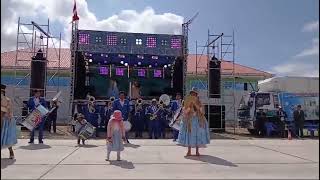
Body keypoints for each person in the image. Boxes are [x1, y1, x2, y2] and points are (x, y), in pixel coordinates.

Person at [1, 84, 17, 159]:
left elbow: (8, 111)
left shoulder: (7, 100)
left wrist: (7, 116)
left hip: (5, 121)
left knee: (6, 137)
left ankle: (11, 152)